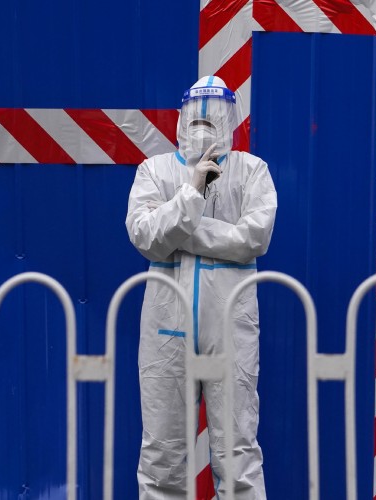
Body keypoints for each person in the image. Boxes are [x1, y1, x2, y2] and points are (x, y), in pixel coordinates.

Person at [125, 75, 277, 499]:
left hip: (230, 329)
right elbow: (143, 235)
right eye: (195, 117)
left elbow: (255, 238)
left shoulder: (252, 171)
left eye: (213, 117)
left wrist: (182, 224)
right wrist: (190, 193)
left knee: (238, 453)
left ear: (231, 119)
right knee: (162, 455)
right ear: (181, 118)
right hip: (166, 332)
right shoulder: (154, 171)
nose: (203, 125)